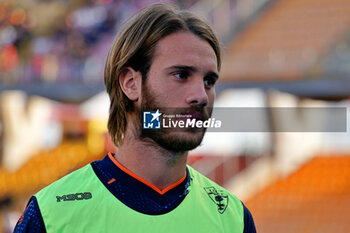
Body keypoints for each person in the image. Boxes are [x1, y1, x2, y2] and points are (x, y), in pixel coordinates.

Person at [14, 3, 256, 233]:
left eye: (209, 81)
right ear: (131, 84)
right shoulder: (50, 214)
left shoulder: (233, 219)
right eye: (181, 75)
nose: (201, 96)